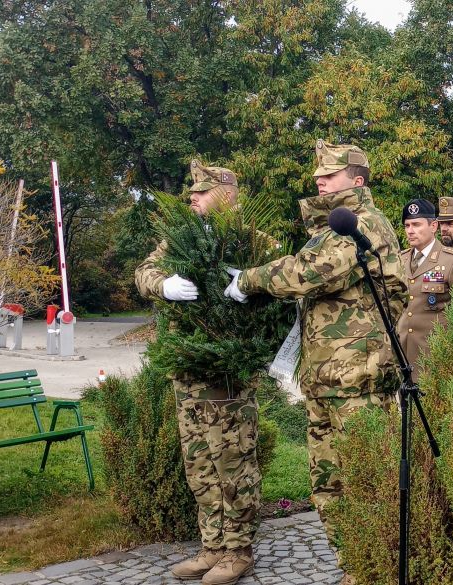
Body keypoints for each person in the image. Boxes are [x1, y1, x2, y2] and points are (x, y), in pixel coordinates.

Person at [226, 141, 406, 585]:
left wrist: (249, 280)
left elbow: (308, 273)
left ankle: (379, 570)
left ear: (358, 180)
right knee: (329, 488)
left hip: (358, 383)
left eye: (330, 174)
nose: (319, 180)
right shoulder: (329, 229)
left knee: (368, 483)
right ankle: (357, 569)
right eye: (318, 174)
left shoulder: (360, 225)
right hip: (325, 382)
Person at [135, 160, 266, 583]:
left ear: (227, 195)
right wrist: (163, 284)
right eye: (192, 190)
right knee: (200, 463)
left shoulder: (253, 243)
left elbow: (278, 296)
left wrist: (249, 292)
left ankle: (239, 550)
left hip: (227, 377)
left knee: (233, 463)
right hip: (186, 375)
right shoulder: (180, 240)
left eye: (202, 191)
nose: (192, 196)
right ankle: (212, 546)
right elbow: (144, 273)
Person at [398, 199, 453, 370]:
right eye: (407, 226)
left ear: (434, 226)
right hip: (399, 358)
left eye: (416, 225)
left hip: (433, 361)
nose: (410, 231)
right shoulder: (399, 260)